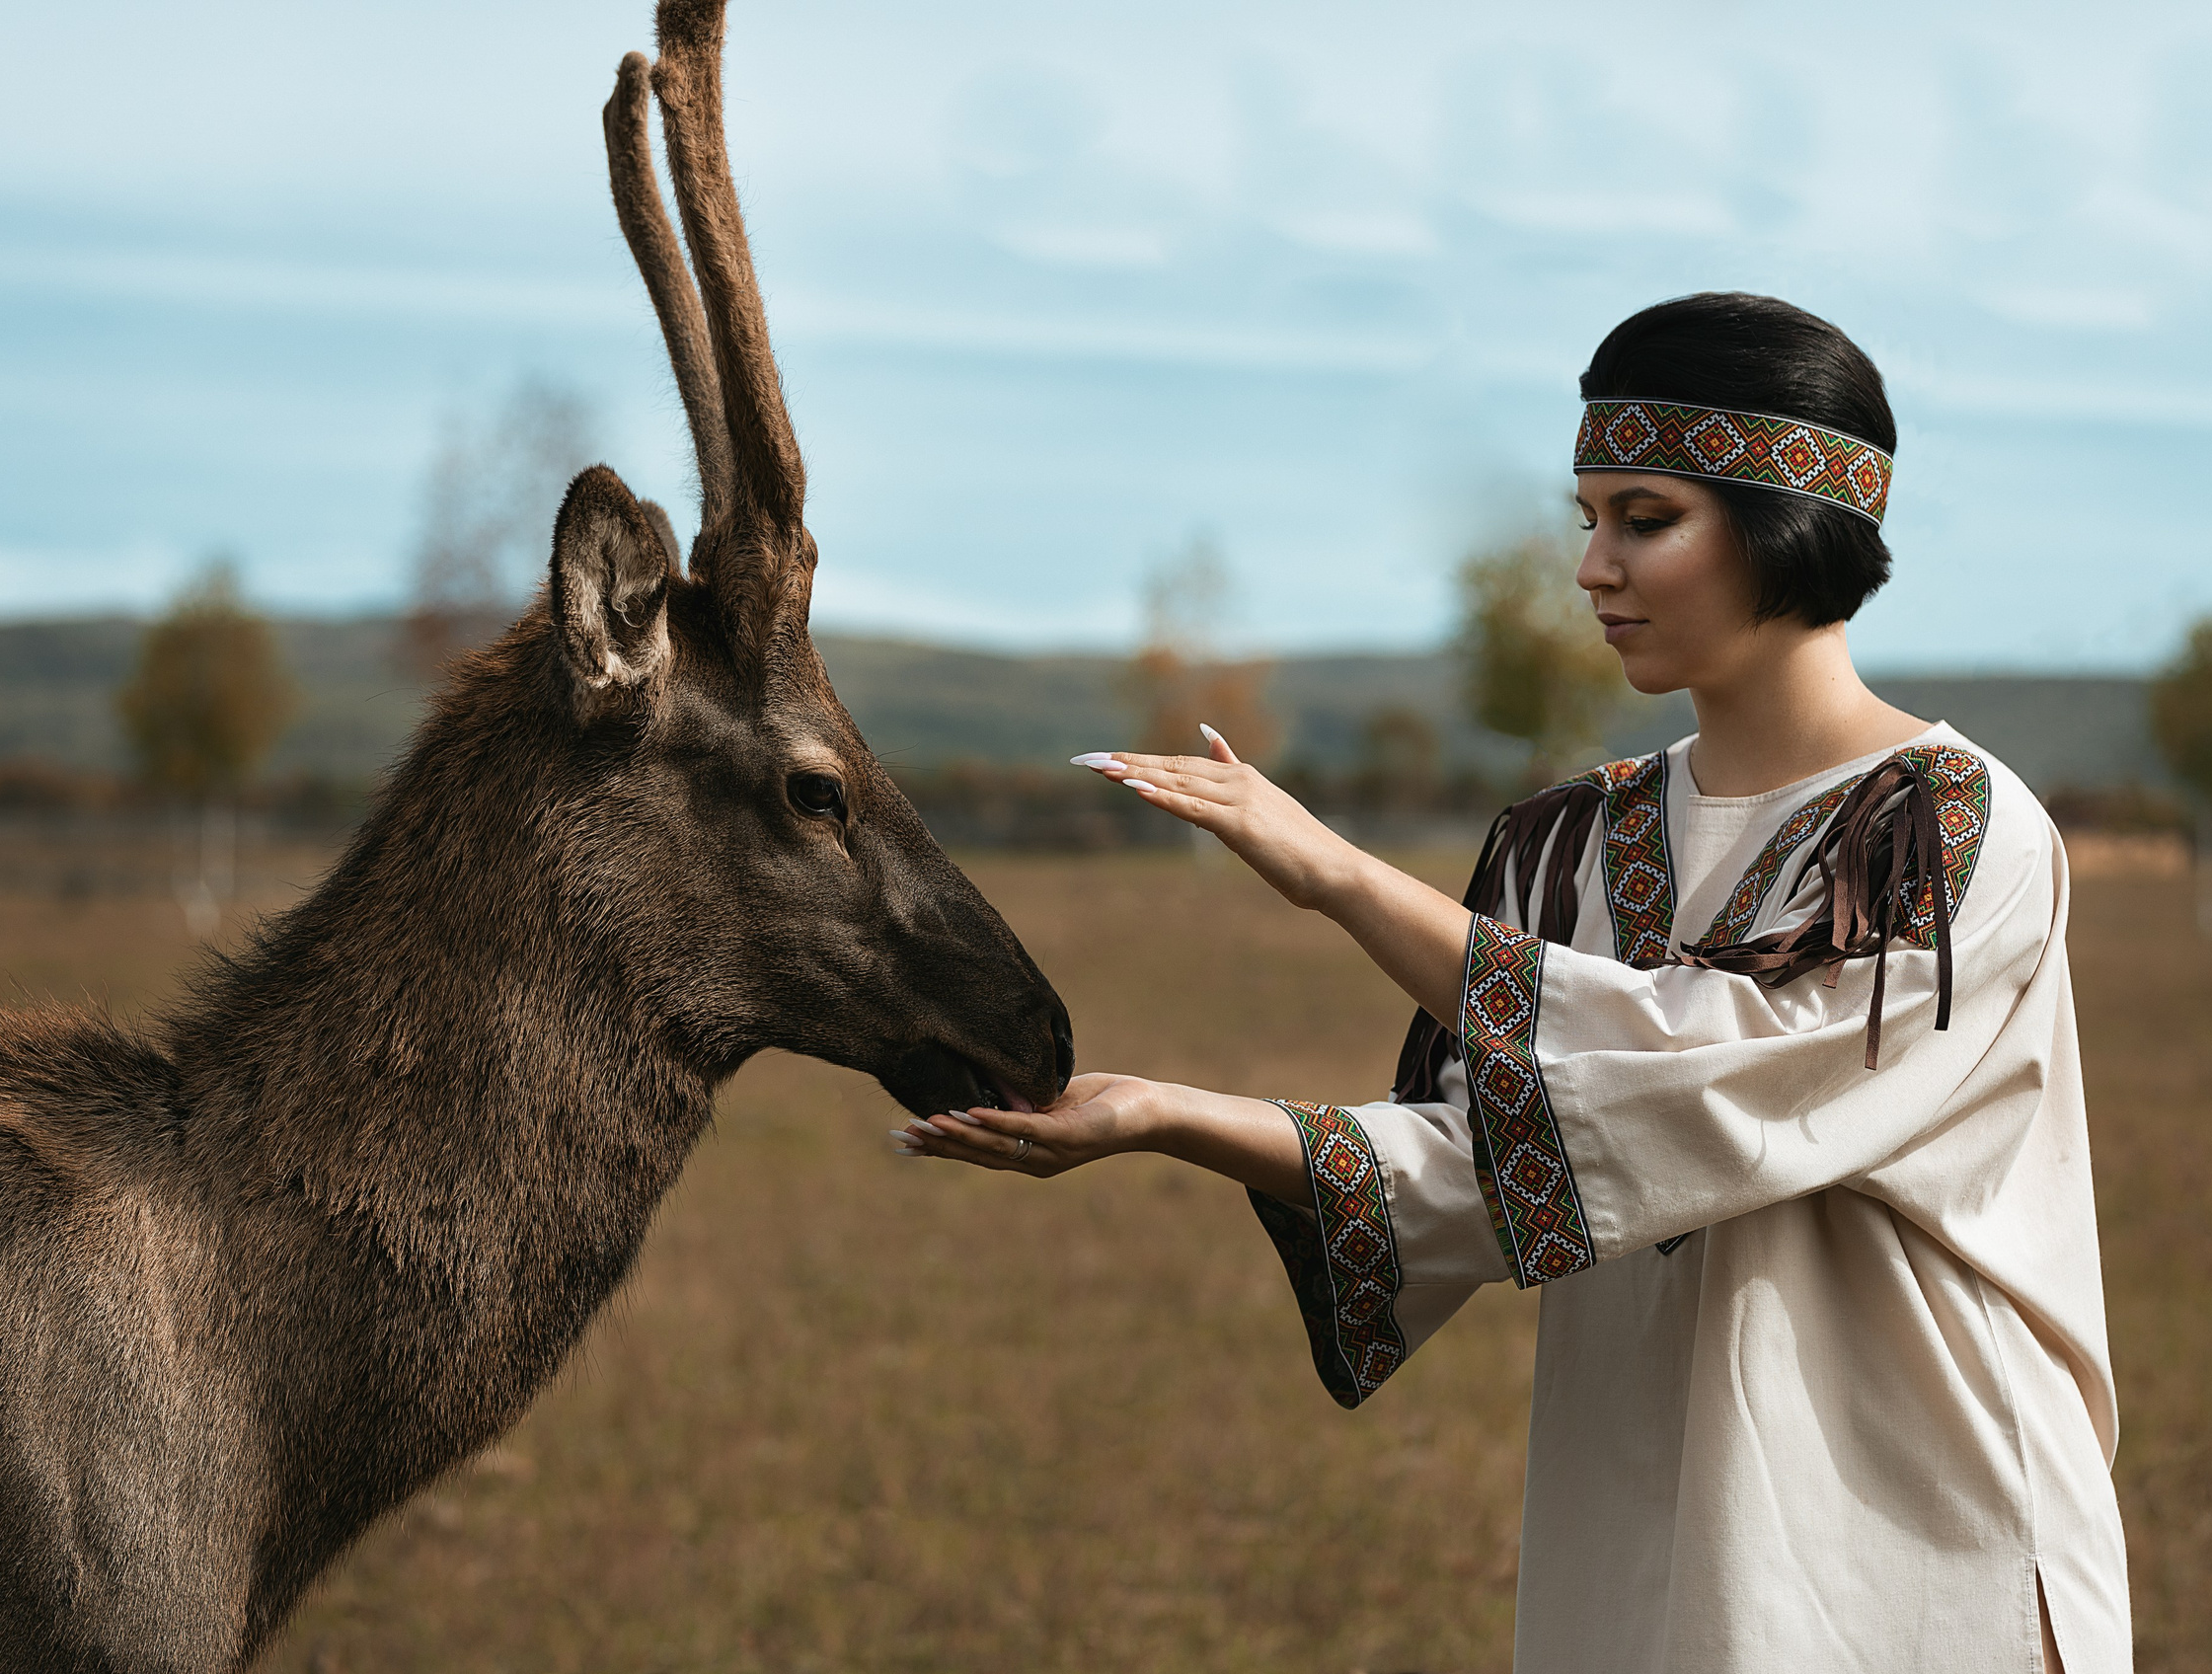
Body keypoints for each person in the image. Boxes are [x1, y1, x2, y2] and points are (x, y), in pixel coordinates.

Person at [894, 292, 2130, 1672]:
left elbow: (1707, 1076)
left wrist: (1346, 880)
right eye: (1584, 517)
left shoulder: (1952, 834)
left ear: (1790, 519)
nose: (1593, 567)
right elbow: (1496, 1160)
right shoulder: (1577, 845)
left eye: (1644, 519)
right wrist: (1170, 1117)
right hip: (1646, 1539)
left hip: (1915, 1544)